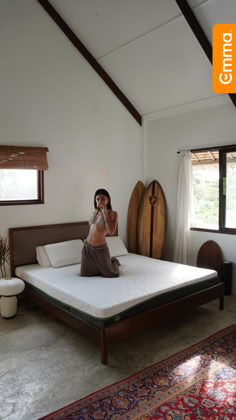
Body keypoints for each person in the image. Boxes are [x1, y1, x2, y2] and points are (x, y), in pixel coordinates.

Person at [80, 189, 120, 277]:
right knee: (84, 274)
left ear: (108, 200)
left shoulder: (113, 214)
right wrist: (99, 212)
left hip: (100, 250)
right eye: (97, 199)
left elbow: (111, 231)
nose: (99, 201)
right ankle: (99, 268)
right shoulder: (95, 213)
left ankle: (114, 262)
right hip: (87, 248)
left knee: (113, 274)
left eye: (103, 199)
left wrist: (105, 214)